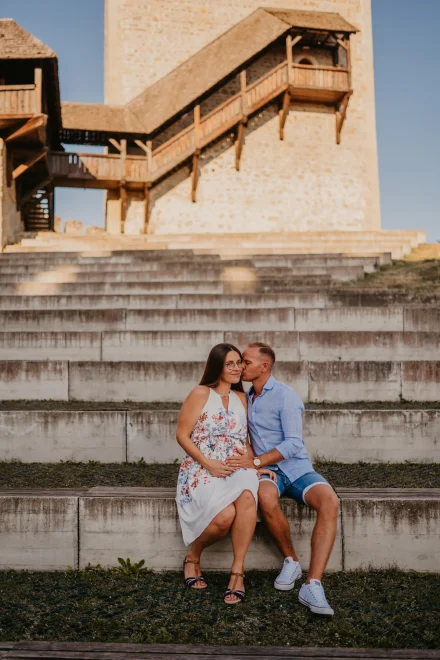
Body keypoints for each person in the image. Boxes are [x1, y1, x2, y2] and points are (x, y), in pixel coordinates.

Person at [226, 342, 340, 616]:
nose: (241, 366)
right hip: (269, 473)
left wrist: (255, 462)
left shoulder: (286, 396)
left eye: (246, 362)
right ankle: (291, 560)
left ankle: (312, 584)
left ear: (264, 366)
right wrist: (254, 464)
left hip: (297, 468)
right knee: (265, 496)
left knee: (330, 501)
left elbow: (293, 443)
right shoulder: (244, 397)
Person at [176, 342, 276, 605]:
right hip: (202, 466)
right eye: (229, 363)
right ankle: (193, 556)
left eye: (239, 363)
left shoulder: (241, 398)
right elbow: (182, 435)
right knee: (224, 517)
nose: (236, 368)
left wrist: (255, 464)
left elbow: (244, 440)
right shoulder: (200, 393)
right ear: (217, 367)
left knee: (247, 494)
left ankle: (237, 571)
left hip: (237, 465)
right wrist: (207, 463)